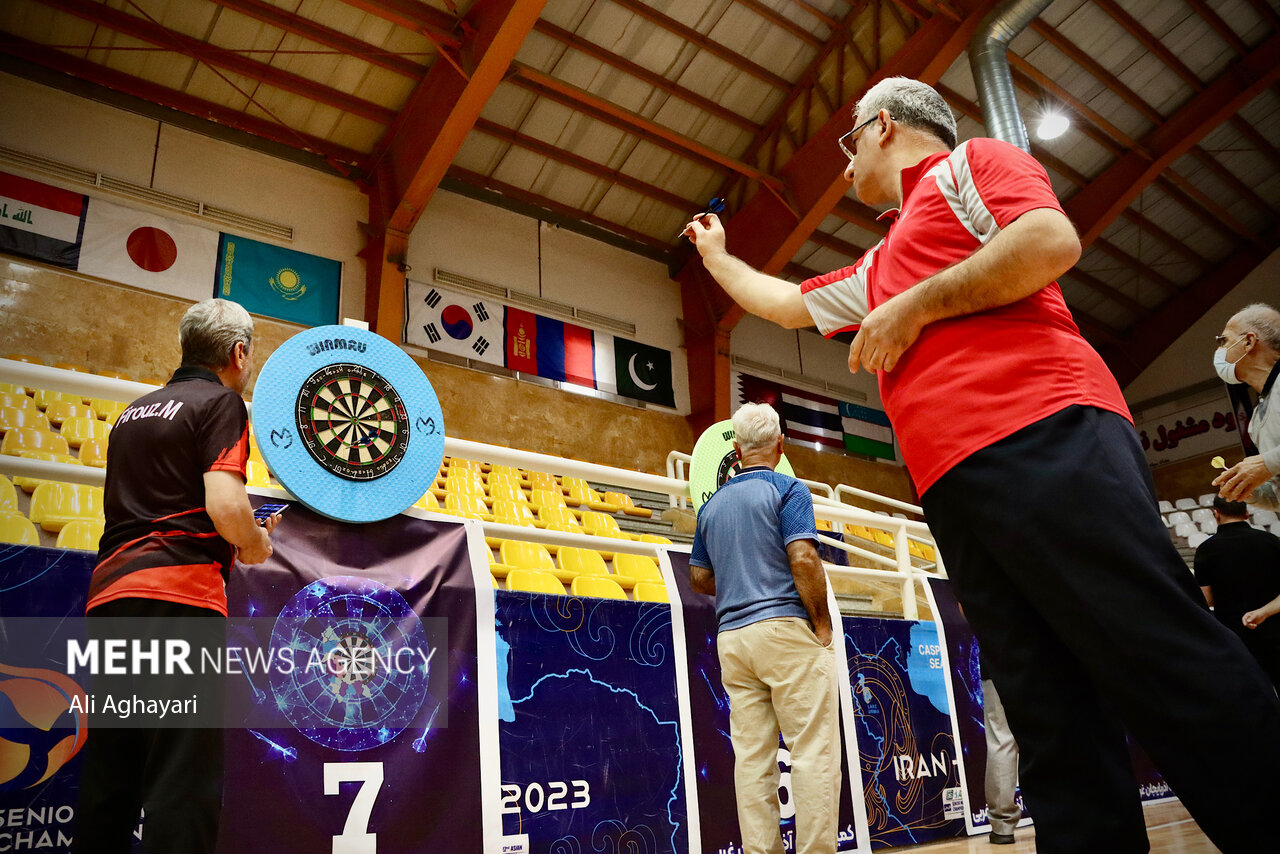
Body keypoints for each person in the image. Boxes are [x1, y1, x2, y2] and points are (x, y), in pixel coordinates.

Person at [683, 76, 1280, 853]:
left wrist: (919, 304)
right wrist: (719, 255)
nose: (844, 166)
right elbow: (785, 302)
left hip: (1047, 433)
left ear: (885, 126)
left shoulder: (971, 167)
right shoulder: (874, 267)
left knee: (1157, 649)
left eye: (849, 143)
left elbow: (1047, 242)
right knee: (1047, 713)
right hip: (957, 489)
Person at [73, 299, 280, 854]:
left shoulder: (135, 411)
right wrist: (255, 542)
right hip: (179, 603)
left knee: (111, 777)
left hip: (112, 601)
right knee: (181, 782)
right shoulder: (222, 404)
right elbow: (226, 508)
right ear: (238, 352)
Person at [688, 402, 840, 854]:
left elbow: (699, 578)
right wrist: (822, 624)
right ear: (780, 445)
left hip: (733, 640)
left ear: (735, 449)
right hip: (786, 630)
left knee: (752, 761)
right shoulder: (789, 489)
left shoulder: (712, 506)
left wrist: (737, 576)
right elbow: (804, 557)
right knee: (812, 754)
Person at [1194, 496, 1280, 690]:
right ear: (1246, 513)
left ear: (1216, 514)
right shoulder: (1271, 540)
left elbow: (1205, 599)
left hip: (1235, 633)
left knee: (1251, 693)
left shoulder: (1206, 549)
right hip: (1275, 626)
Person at [1212, 303, 1280, 511]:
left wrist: (1266, 463)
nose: (1218, 351)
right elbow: (1277, 497)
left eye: (1223, 341)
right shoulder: (1257, 418)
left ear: (1249, 341)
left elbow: (1270, 464)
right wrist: (1249, 489)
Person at [980, 661, 1019, 846]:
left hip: (999, 656)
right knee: (1048, 737)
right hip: (1043, 661)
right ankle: (1057, 815)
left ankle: (1003, 827)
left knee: (1001, 740)